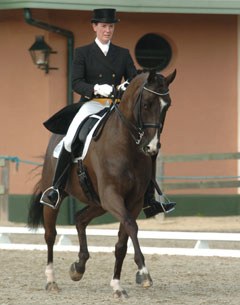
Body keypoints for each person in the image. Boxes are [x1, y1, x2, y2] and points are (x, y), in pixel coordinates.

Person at [40, 8, 175, 217]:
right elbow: (76, 83)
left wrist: (125, 87)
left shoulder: (122, 53)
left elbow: (132, 79)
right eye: (103, 26)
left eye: (111, 26)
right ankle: (55, 189)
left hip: (115, 106)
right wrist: (96, 88)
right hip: (91, 105)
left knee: (149, 146)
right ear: (95, 27)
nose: (107, 30)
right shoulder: (82, 52)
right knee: (68, 140)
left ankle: (149, 198)